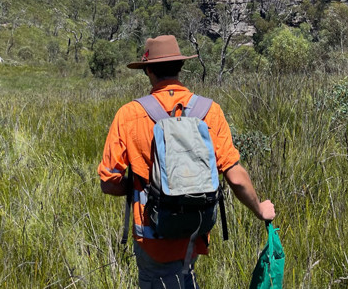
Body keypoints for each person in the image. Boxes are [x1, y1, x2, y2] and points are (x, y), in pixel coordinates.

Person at [99, 35, 276, 289]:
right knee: (184, 277)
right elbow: (235, 176)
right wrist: (260, 209)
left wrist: (141, 186)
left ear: (148, 70)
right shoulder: (209, 111)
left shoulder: (129, 114)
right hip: (195, 230)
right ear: (180, 67)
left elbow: (108, 182)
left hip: (151, 236)